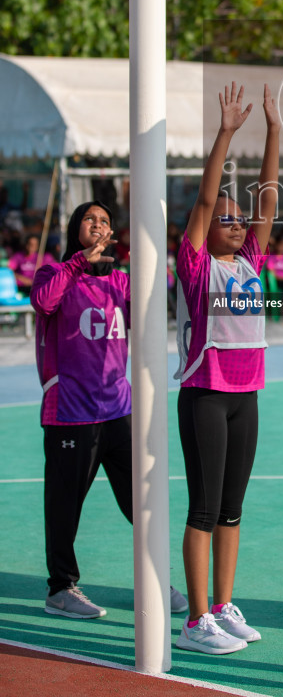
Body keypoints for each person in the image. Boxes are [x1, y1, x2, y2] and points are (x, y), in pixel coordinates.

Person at [30, 201, 187, 619]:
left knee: (142, 501)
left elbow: (155, 311)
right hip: (70, 412)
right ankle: (60, 588)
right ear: (74, 229)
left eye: (104, 221)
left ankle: (155, 581)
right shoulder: (54, 273)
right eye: (89, 219)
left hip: (119, 408)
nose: (98, 226)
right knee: (65, 506)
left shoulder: (119, 281)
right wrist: (79, 262)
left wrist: (144, 260)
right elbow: (44, 303)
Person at [174, 82, 279, 654]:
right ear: (210, 229)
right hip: (206, 395)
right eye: (228, 220)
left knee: (233, 511)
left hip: (247, 395)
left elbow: (268, 198)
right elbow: (204, 201)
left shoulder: (249, 262)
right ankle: (195, 621)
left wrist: (274, 131)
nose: (238, 225)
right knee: (205, 508)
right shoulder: (196, 266)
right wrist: (226, 134)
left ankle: (222, 604)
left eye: (242, 222)